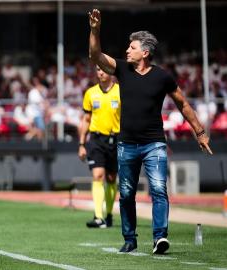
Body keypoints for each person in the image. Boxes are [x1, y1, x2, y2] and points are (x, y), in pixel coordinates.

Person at [88, 9, 212, 254]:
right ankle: (129, 239)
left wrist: (199, 132)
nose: (126, 51)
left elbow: (183, 104)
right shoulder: (122, 70)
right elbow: (95, 56)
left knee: (158, 189)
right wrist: (95, 29)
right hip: (126, 145)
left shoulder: (162, 77)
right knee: (126, 194)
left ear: (144, 52)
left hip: (154, 143)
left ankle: (159, 238)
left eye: (131, 47)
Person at [78, 66, 120, 228]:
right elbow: (86, 120)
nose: (101, 72)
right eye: (97, 69)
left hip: (116, 139)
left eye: (104, 70)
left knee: (111, 178)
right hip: (96, 140)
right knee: (98, 176)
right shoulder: (90, 93)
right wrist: (82, 143)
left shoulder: (120, 92)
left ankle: (108, 215)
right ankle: (98, 216)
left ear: (111, 72)